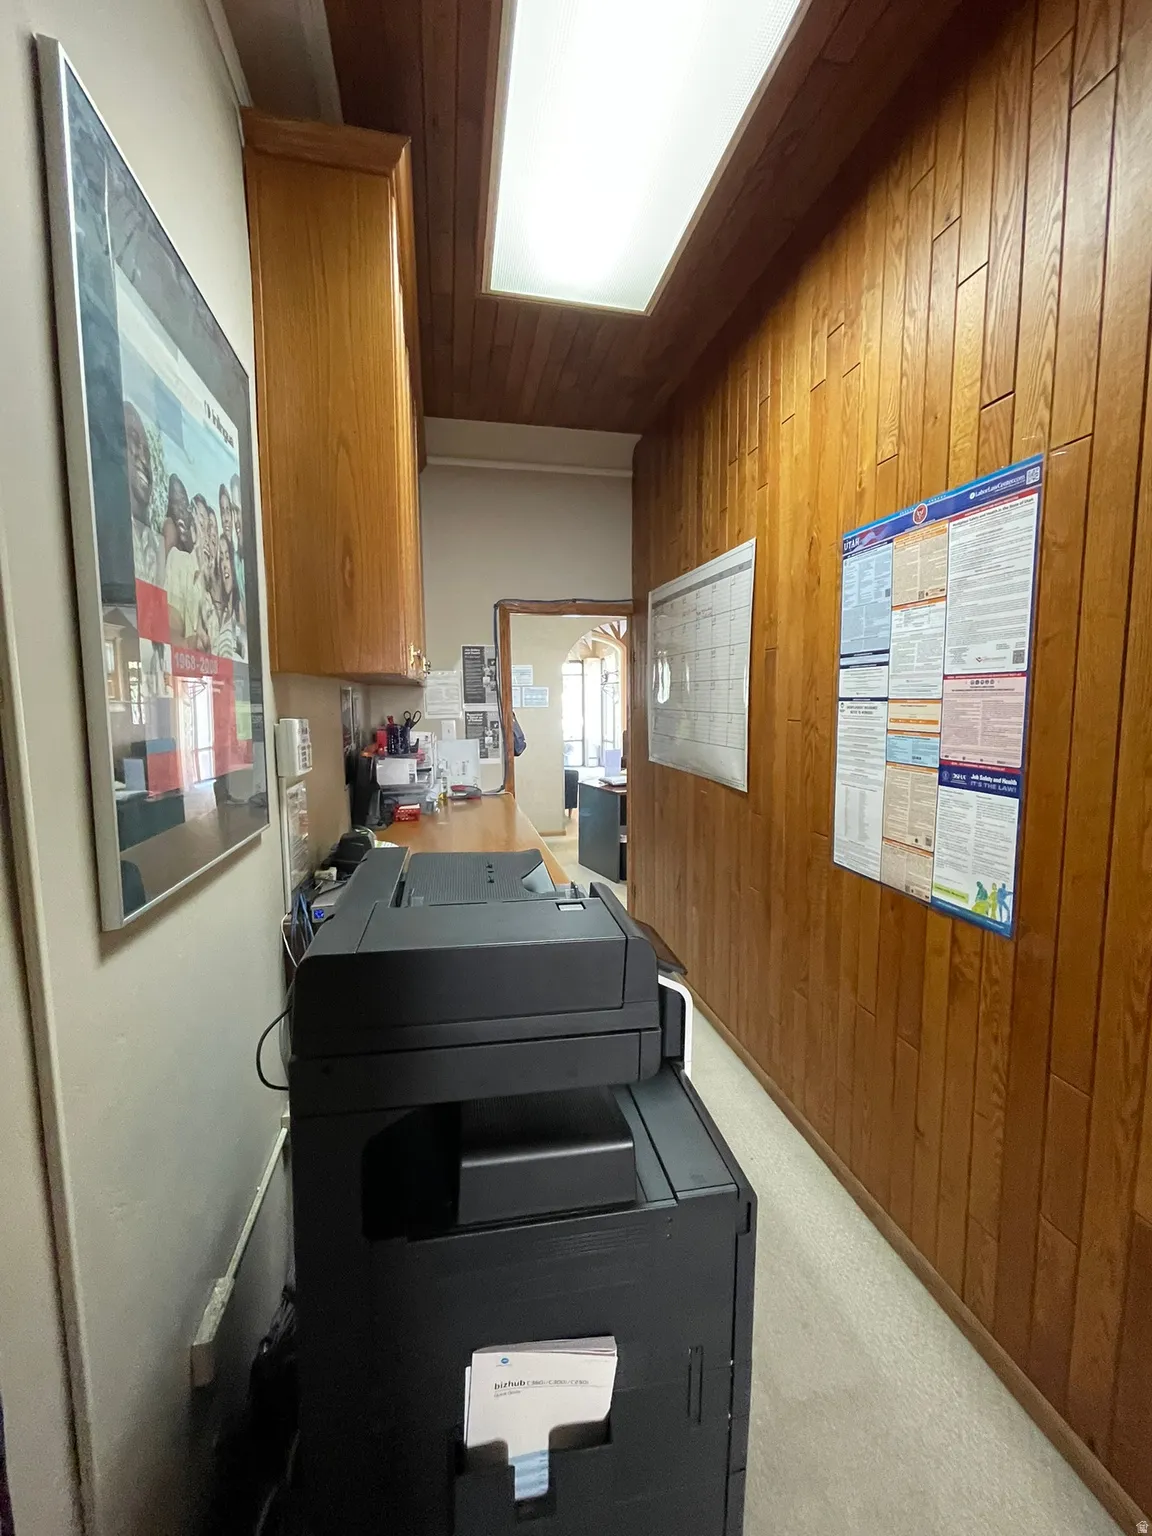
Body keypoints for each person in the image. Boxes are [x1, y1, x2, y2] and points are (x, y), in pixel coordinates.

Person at [125, 401, 162, 585]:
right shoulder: (113, 535)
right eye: (132, 440)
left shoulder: (157, 546)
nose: (142, 456)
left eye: (146, 450)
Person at [163, 475, 202, 646]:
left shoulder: (201, 568)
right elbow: (173, 632)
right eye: (176, 507)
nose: (183, 516)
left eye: (185, 508)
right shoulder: (176, 560)